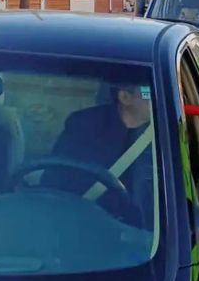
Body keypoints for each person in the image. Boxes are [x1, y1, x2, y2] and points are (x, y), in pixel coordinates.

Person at [42, 83, 154, 228]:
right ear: (125, 97)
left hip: (138, 236)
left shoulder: (164, 134)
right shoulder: (84, 126)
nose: (156, 96)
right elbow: (55, 180)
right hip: (77, 225)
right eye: (148, 92)